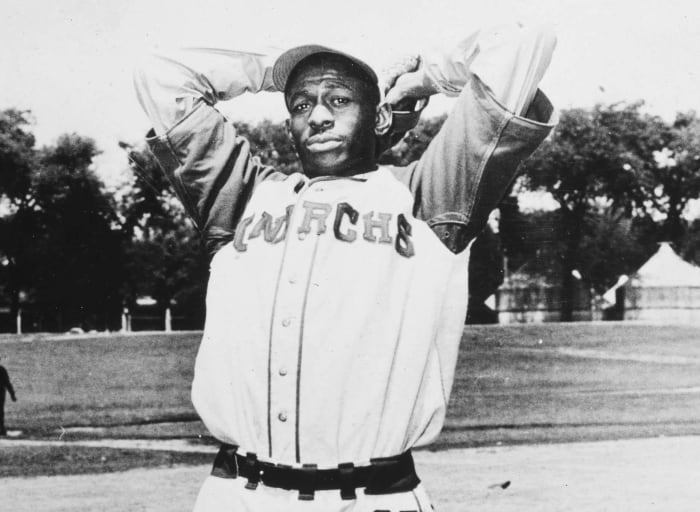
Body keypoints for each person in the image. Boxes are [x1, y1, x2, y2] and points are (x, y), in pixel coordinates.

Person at [134, 22, 557, 511]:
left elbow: (525, 40)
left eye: (339, 100)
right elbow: (159, 73)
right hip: (237, 495)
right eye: (300, 104)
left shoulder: (429, 196)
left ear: (378, 118)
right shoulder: (241, 196)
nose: (315, 117)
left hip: (371, 497)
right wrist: (276, 69)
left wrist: (422, 80)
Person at [0, 356, 17, 436]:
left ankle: (1, 428)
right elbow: (7, 384)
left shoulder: (2, 370)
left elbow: (7, 383)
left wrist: (12, 395)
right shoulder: (2, 370)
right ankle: (1, 428)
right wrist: (12, 395)